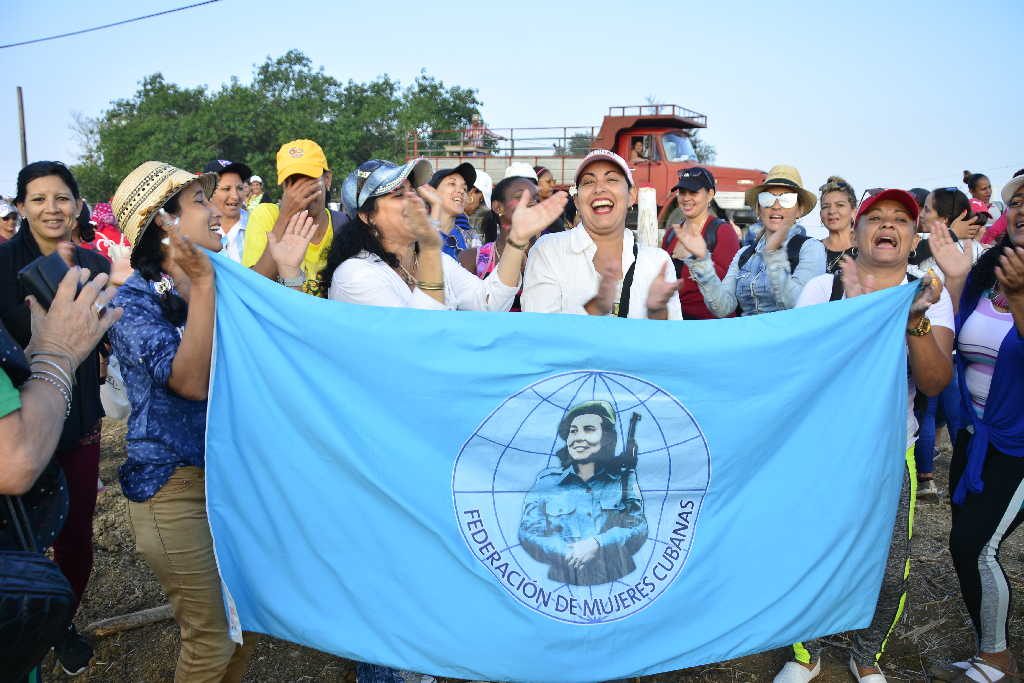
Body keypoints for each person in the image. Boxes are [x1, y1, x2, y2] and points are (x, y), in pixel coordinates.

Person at [109, 161, 315, 683]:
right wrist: (203, 289)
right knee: (211, 640)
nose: (222, 209)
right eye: (200, 201)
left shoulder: (210, 277)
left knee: (241, 631)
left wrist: (284, 265)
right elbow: (191, 383)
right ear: (164, 223)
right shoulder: (134, 302)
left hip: (226, 483)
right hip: (172, 490)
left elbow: (255, 309)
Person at [777, 189, 953, 683]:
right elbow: (801, 370)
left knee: (890, 562)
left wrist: (913, 320)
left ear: (913, 237)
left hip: (889, 455)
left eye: (901, 219)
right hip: (823, 453)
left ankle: (867, 656)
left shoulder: (928, 295)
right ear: (855, 231)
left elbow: (937, 382)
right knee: (810, 551)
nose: (888, 225)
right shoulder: (820, 290)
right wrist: (851, 317)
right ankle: (806, 655)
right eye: (876, 216)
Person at [0, 160, 112, 675]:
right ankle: (21, 621)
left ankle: (63, 621)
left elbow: (102, 337)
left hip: (80, 415)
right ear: (20, 207)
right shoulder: (1, 264)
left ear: (78, 204)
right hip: (20, 421)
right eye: (39, 199)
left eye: (62, 197)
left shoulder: (93, 261)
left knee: (76, 534)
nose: (52, 208)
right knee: (24, 536)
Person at [925, 175, 1024, 682]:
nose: (1021, 206)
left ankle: (997, 660)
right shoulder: (992, 269)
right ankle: (986, 649)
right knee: (963, 543)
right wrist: (961, 280)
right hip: (975, 437)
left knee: (975, 545)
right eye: (1015, 201)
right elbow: (966, 339)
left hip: (1018, 447)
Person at [325, 158, 564, 312]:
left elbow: (488, 302)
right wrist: (430, 248)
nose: (413, 199)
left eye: (412, 191)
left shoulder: (438, 262)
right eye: (398, 195)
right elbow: (419, 340)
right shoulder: (355, 275)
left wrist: (516, 242)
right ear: (367, 216)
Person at [522, 149, 683, 320]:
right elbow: (540, 335)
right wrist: (596, 309)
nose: (599, 188)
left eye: (611, 179)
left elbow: (668, 338)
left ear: (631, 195)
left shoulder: (657, 262)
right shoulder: (548, 251)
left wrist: (657, 312)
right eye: (589, 182)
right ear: (577, 200)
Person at [519, 400, 647, 586]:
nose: (578, 437)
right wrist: (566, 552)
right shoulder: (547, 482)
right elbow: (528, 531)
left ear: (607, 438)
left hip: (618, 578)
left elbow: (638, 528)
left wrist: (598, 544)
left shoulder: (623, 479)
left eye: (588, 429)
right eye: (573, 431)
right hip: (562, 581)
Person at [680, 164, 825, 317]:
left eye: (787, 199)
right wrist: (701, 262)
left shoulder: (810, 249)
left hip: (787, 339)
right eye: (767, 198)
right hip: (748, 339)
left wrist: (774, 257)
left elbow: (799, 305)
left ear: (799, 210)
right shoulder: (744, 254)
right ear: (758, 209)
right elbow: (723, 308)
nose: (776, 205)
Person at [243, 139, 338, 296]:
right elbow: (254, 288)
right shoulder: (267, 215)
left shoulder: (342, 225)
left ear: (327, 180)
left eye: (308, 180)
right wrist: (285, 216)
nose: (301, 192)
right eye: (293, 182)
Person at [660, 167, 741, 319]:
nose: (686, 198)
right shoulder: (671, 234)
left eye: (693, 192)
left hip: (711, 327)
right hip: (677, 323)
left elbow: (727, 289)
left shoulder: (723, 232)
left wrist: (697, 258)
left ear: (710, 194)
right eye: (682, 192)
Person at [204, 159, 253, 264]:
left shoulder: (256, 225)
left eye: (240, 188)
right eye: (226, 189)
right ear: (208, 192)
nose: (235, 196)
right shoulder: (197, 232)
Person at [818, 176, 857, 274]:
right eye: (825, 206)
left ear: (853, 212)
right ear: (820, 214)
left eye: (840, 205)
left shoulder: (865, 252)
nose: (832, 211)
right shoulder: (811, 249)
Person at [534, 166, 575, 233]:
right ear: (536, 183)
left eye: (553, 181)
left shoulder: (562, 204)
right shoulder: (531, 210)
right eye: (548, 182)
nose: (552, 185)